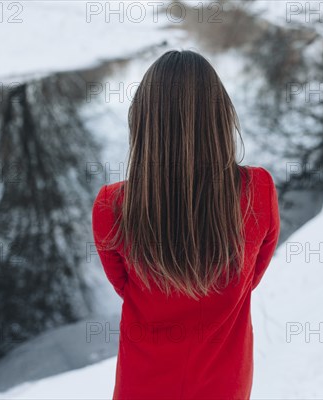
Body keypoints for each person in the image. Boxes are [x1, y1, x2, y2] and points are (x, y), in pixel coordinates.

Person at [92, 49, 280, 400]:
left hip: (142, 385)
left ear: (143, 121)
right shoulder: (258, 191)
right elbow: (250, 276)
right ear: (221, 116)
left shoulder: (111, 205)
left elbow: (125, 286)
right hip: (225, 384)